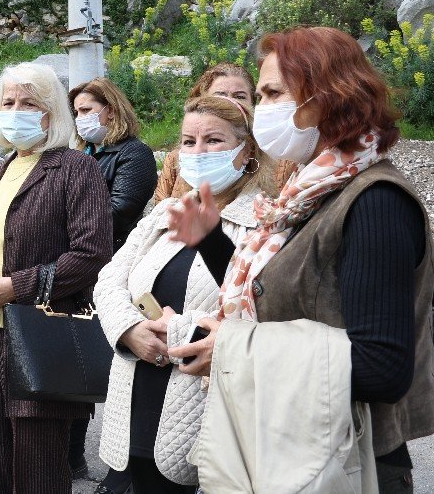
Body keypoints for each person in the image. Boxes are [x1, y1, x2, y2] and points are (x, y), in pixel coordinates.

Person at [166, 27, 434, 492]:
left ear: (323, 101)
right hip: (294, 446)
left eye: (272, 94)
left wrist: (231, 351)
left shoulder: (376, 203)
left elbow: (382, 368)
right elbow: (290, 291)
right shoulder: (312, 193)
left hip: (347, 463)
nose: (259, 110)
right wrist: (210, 241)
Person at [94, 96, 272, 493]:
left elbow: (254, 307)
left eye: (213, 141)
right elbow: (109, 279)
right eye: (188, 141)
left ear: (247, 152)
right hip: (134, 390)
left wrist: (175, 333)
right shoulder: (166, 212)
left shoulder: (263, 222)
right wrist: (128, 330)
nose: (198, 152)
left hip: (197, 401)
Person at [0, 62, 112, 494]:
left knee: (37, 468)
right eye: (8, 102)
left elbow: (91, 254)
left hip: (38, 334)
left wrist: (14, 287)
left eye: (29, 103)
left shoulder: (75, 168)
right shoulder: (1, 168)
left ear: (51, 114)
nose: (16, 110)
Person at [67, 78, 157, 485]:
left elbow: (122, 208)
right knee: (72, 365)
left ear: (112, 109)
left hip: (111, 270)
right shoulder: (82, 153)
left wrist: (67, 216)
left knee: (117, 373)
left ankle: (122, 469)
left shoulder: (133, 154)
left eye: (88, 110)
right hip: (76, 269)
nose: (82, 118)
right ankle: (70, 455)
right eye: (78, 112)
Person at [154, 63, 298, 203]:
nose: (229, 103)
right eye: (220, 96)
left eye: (239, 97)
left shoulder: (283, 157)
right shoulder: (176, 159)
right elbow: (160, 206)